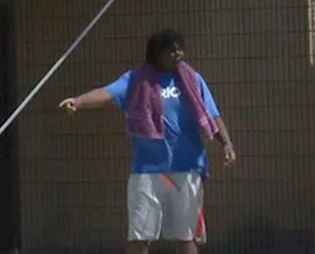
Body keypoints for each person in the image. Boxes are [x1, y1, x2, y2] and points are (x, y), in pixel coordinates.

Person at [59, 28, 235, 254]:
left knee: (186, 237)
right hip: (147, 172)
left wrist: (226, 143)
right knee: (139, 236)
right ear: (156, 53)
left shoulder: (193, 80)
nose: (178, 54)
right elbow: (107, 93)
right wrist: (79, 101)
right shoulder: (135, 80)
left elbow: (211, 114)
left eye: (180, 49)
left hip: (187, 168)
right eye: (171, 50)